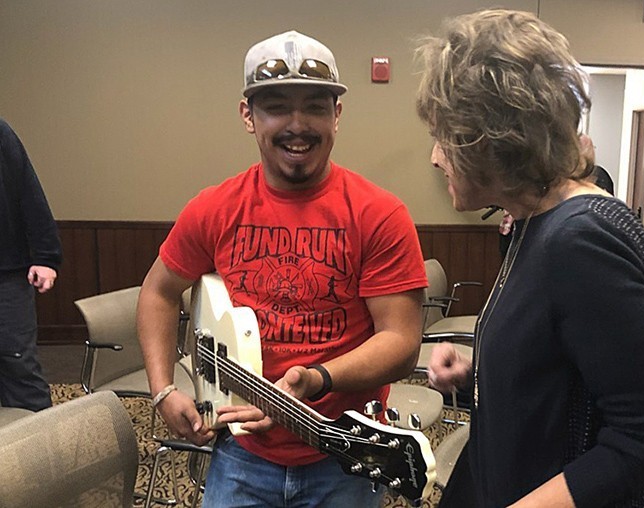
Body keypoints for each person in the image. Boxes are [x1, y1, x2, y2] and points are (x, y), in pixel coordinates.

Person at [416, 9, 644, 507]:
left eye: (444, 137)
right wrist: (481, 374)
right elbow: (570, 376)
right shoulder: (535, 220)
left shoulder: (581, 239)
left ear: (493, 139)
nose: (435, 157)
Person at [136, 30, 427, 507]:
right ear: (248, 115)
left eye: (315, 107)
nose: (298, 125)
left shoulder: (379, 214)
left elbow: (400, 342)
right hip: (241, 452)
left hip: (343, 453)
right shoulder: (214, 208)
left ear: (337, 115)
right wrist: (163, 389)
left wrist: (313, 378)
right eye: (276, 107)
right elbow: (158, 292)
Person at [0, 118, 62, 412]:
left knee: (19, 367)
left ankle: (37, 441)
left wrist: (46, 257)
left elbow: (28, 191)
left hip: (7, 276)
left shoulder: (1, 133)